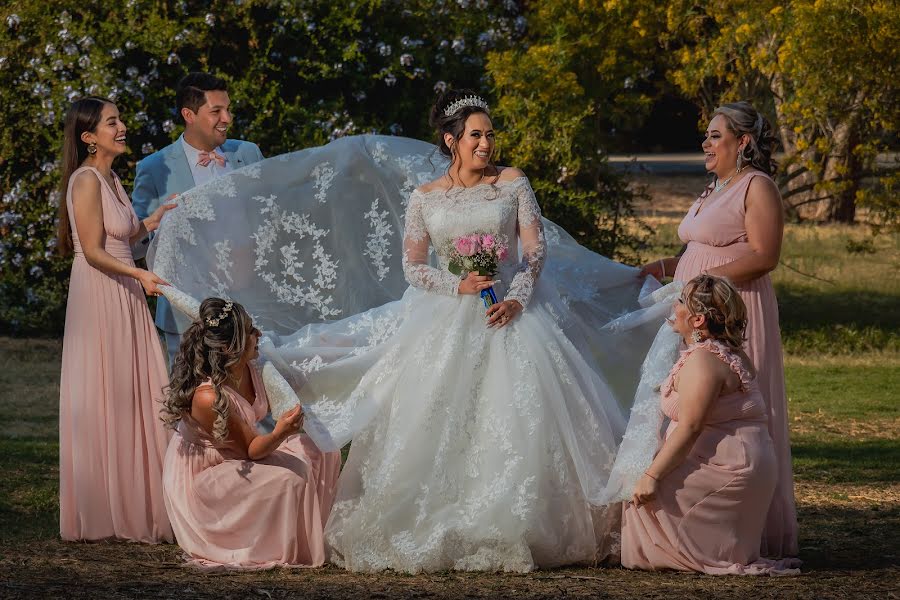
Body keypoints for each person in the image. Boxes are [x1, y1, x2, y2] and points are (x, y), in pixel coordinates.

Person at [147, 91, 664, 572]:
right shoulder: (426, 197)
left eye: (489, 135)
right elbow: (414, 266)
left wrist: (516, 296)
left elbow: (534, 251)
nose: (486, 144)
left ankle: (526, 519)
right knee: (434, 411)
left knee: (522, 411)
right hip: (449, 313)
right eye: (475, 136)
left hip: (513, 311)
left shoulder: (512, 182)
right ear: (452, 141)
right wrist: (459, 286)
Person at [640, 101, 798, 557]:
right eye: (706, 136)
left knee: (723, 405)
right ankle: (687, 511)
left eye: (714, 135)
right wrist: (667, 266)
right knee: (687, 402)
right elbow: (700, 248)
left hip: (731, 308)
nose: (705, 143)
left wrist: (705, 284)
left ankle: (742, 521)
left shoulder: (756, 186)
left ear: (742, 142)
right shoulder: (715, 187)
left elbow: (764, 255)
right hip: (695, 307)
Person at [622, 274, 801, 575]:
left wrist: (652, 475)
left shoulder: (704, 361)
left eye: (680, 301)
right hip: (741, 461)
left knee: (634, 499)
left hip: (730, 469)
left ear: (698, 320)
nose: (673, 305)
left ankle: (701, 547)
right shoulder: (726, 352)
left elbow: (691, 427)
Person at [57, 97, 175, 542]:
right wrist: (138, 273)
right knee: (109, 390)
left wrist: (157, 218)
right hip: (102, 291)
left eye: (120, 119)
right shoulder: (85, 180)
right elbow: (92, 249)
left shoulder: (112, 178)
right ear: (89, 137)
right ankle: (109, 508)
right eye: (112, 122)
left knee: (135, 390)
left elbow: (124, 234)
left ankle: (139, 499)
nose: (122, 127)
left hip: (125, 289)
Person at [161, 298, 341, 568]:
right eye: (250, 331)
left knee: (321, 449)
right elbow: (251, 449)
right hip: (206, 474)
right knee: (290, 479)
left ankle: (311, 534)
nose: (259, 334)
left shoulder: (252, 366)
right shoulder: (207, 396)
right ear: (228, 346)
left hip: (241, 456)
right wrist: (281, 432)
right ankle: (281, 548)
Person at [132, 72, 264, 367]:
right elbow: (136, 244)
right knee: (190, 400)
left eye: (228, 109)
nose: (227, 118)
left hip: (248, 302)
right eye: (216, 111)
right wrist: (158, 223)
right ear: (188, 115)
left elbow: (269, 218)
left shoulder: (248, 153)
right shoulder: (155, 168)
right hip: (187, 311)